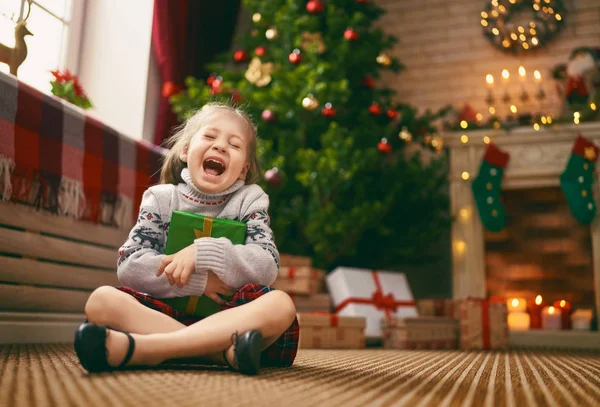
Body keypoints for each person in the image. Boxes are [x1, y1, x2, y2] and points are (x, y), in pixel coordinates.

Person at [74, 102, 298, 376]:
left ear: (243, 170)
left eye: (235, 145)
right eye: (210, 136)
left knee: (281, 305)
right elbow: (130, 265)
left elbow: (267, 265)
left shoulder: (250, 199)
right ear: (185, 150)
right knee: (101, 300)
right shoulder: (161, 198)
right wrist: (198, 282)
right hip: (163, 314)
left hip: (230, 317)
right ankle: (221, 355)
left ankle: (142, 349)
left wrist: (201, 253)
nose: (220, 147)